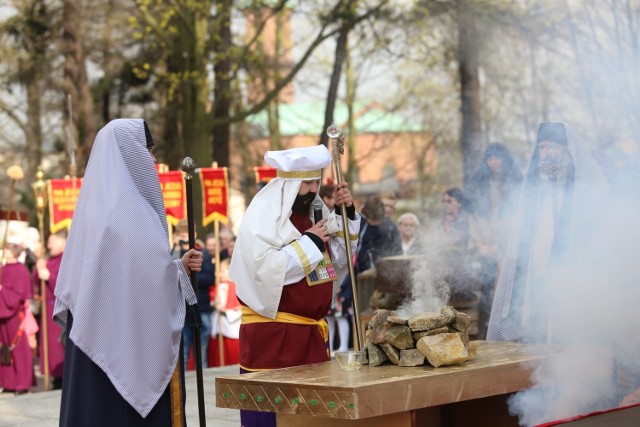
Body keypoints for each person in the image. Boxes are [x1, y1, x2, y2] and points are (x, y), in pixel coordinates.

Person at [53, 118, 202, 426]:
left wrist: (177, 269)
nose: (154, 159)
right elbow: (142, 278)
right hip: (118, 351)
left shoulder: (95, 213)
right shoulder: (126, 215)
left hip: (94, 346)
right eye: (147, 150)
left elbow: (127, 277)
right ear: (128, 153)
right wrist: (175, 275)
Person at [229, 145, 360, 427]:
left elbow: (338, 262)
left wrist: (344, 214)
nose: (314, 190)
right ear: (289, 184)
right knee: (275, 415)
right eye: (307, 183)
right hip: (276, 338)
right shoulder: (264, 216)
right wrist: (310, 243)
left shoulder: (309, 216)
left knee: (311, 418)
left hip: (310, 337)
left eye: (316, 181)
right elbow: (264, 269)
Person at [487, 121, 608, 343]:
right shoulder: (536, 192)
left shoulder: (584, 191)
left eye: (552, 146)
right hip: (535, 278)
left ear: (566, 150)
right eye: (541, 147)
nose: (546, 153)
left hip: (572, 280)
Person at [171, 219, 215, 370]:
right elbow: (168, 275)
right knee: (182, 354)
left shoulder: (203, 253)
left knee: (201, 352)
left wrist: (187, 276)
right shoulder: (174, 251)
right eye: (182, 234)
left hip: (201, 307)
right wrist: (176, 248)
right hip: (182, 309)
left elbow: (209, 278)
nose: (186, 237)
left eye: (188, 233)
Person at [33, 229, 68, 389]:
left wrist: (50, 277)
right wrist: (39, 268)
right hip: (47, 309)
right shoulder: (49, 260)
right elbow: (37, 282)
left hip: (59, 308)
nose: (48, 245)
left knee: (58, 346)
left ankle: (62, 377)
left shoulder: (67, 260)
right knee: (48, 347)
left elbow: (67, 285)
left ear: (63, 242)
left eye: (52, 242)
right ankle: (54, 376)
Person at [0, 239, 34, 395]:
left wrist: (2, 289)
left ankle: (21, 383)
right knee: (5, 349)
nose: (4, 252)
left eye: (7, 250)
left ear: (14, 252)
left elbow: (17, 295)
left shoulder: (21, 271)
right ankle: (8, 382)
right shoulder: (2, 268)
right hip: (2, 314)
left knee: (19, 350)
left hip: (14, 315)